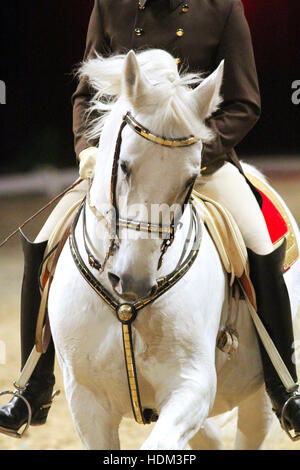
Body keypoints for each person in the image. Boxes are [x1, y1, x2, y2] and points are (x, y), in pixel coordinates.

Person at [1, 0, 300, 437]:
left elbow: (244, 102)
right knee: (43, 244)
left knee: (260, 244)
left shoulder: (222, 8)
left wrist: (187, 153)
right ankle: (31, 386)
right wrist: (88, 148)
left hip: (197, 166)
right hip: (123, 166)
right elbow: (85, 94)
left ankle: (283, 385)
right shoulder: (110, 5)